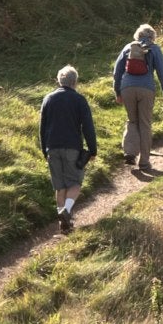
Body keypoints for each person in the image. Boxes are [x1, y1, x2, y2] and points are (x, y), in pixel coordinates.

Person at [39, 65, 98, 232]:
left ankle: (63, 223)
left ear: (59, 81)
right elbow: (88, 127)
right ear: (75, 82)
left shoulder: (48, 99)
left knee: (60, 186)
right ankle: (66, 211)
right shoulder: (79, 100)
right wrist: (92, 150)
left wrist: (45, 149)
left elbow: (42, 128)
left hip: (52, 147)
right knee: (75, 183)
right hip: (72, 147)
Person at [108, 24, 163, 174]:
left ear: (137, 35)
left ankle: (130, 153)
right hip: (146, 89)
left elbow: (117, 72)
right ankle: (144, 162)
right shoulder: (154, 49)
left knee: (132, 120)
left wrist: (117, 92)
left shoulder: (128, 47)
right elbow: (162, 71)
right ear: (153, 37)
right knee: (145, 123)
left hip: (127, 88)